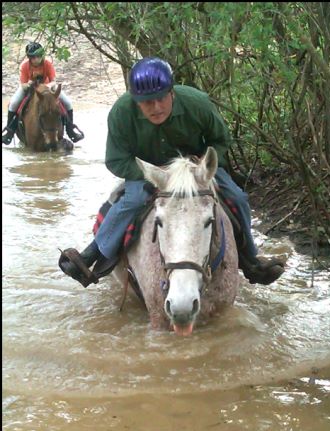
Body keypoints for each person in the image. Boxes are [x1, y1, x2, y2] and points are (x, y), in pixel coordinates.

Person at [59, 56, 285, 287]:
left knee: (236, 197)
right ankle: (94, 255)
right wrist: (152, 173)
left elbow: (220, 140)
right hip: (148, 171)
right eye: (147, 102)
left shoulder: (198, 103)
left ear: (172, 93)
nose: (156, 108)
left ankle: (251, 259)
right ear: (136, 101)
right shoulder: (121, 113)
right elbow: (116, 161)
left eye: (161, 99)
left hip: (194, 168)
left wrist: (203, 162)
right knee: (133, 201)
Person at [2, 42, 84, 145]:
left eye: (39, 56)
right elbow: (23, 84)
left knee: (67, 102)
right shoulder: (24, 66)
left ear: (42, 56)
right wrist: (28, 84)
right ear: (29, 57)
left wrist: (49, 86)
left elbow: (54, 80)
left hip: (47, 88)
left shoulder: (47, 64)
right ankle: (9, 132)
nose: (36, 59)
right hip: (29, 88)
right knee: (13, 104)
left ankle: (70, 130)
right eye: (33, 57)